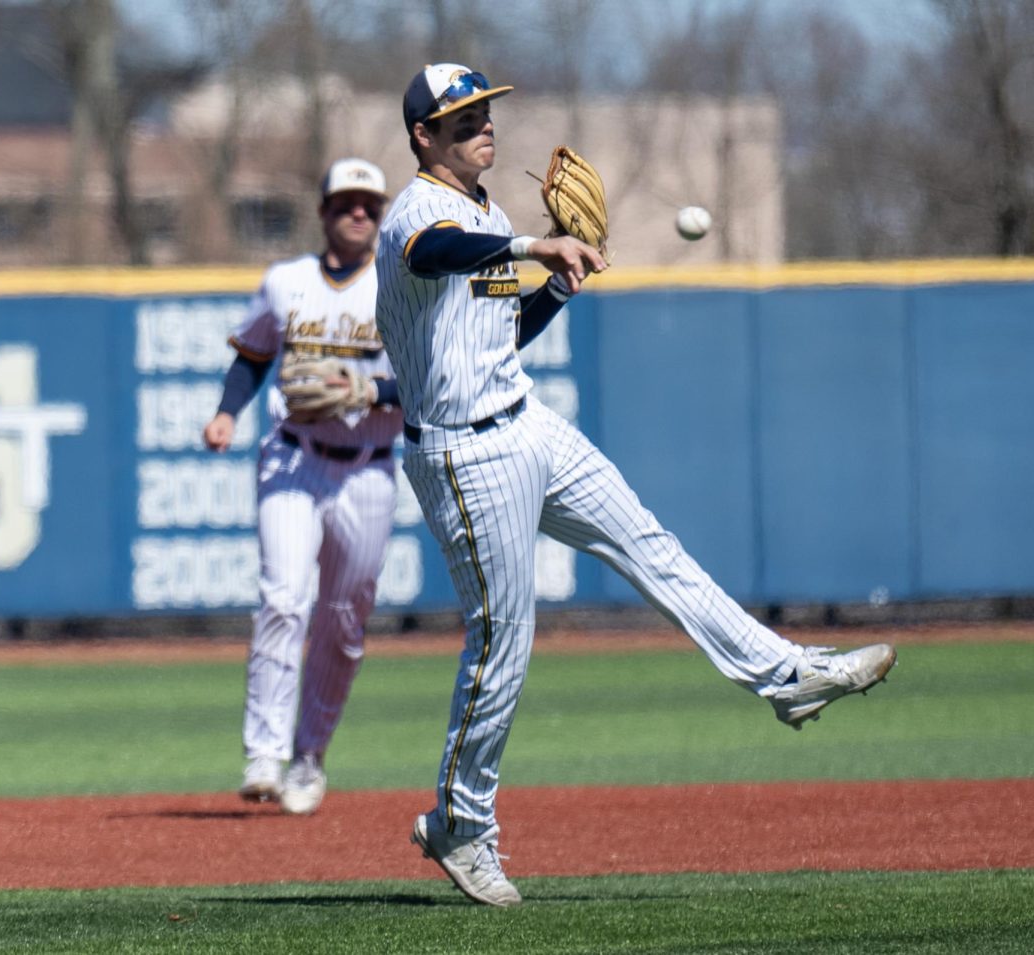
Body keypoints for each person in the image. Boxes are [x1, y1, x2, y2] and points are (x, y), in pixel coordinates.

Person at [374, 63, 897, 906]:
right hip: (463, 456)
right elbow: (432, 255)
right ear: (422, 137)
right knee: (501, 642)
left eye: (485, 110)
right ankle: (462, 826)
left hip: (524, 420)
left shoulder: (490, 212)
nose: (482, 125)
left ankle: (786, 677)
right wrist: (534, 244)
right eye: (461, 116)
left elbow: (501, 327)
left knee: (653, 544)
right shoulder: (420, 213)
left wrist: (557, 285)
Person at [204, 158, 402, 815]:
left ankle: (309, 754)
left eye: (369, 205)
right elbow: (253, 355)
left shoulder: (402, 287)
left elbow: (431, 381)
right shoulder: (285, 281)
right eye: (345, 202)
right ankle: (263, 754)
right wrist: (229, 410)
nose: (358, 213)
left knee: (344, 625)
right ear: (323, 211)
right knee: (284, 599)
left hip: (370, 465)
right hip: (293, 459)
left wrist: (371, 389)